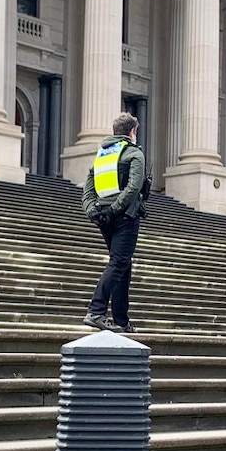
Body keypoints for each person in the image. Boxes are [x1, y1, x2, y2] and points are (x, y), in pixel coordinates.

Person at [81, 112, 146, 333]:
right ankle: (96, 311)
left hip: (104, 216)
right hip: (124, 216)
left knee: (122, 265)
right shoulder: (133, 152)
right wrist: (116, 209)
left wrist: (93, 211)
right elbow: (134, 186)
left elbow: (88, 187)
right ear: (132, 132)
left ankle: (121, 320)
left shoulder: (103, 155)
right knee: (119, 263)